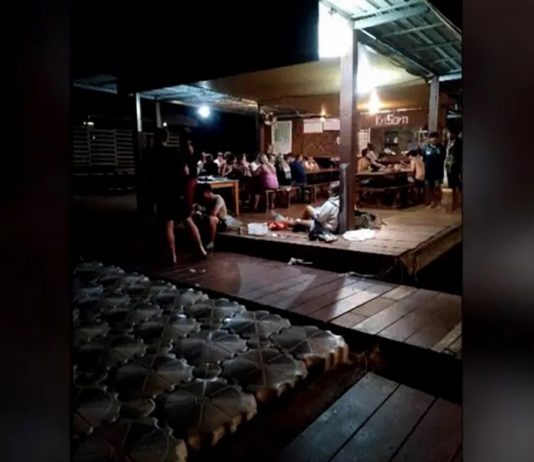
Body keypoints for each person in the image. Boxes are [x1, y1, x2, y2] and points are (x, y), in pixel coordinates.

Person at [148, 128, 207, 264]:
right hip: (176, 191)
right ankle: (201, 250)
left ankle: (172, 257)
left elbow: (147, 176)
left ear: (154, 138)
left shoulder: (150, 154)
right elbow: (186, 172)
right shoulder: (174, 153)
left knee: (168, 224)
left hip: (161, 193)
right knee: (188, 220)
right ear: (167, 138)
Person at [272, 182, 340, 233]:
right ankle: (295, 223)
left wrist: (314, 212)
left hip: (323, 227)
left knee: (298, 221)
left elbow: (320, 218)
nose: (328, 191)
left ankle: (283, 220)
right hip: (328, 224)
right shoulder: (338, 201)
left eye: (329, 190)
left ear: (333, 192)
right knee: (307, 210)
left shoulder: (330, 204)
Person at [192, 183, 228, 250]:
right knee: (194, 215)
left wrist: (202, 212)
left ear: (208, 192)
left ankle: (211, 242)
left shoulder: (218, 199)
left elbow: (214, 213)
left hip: (221, 222)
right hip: (207, 219)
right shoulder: (204, 199)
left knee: (212, 219)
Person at [422, 131, 446, 208]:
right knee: (430, 187)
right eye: (432, 137)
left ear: (438, 138)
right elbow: (424, 159)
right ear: (429, 139)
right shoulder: (426, 148)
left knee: (437, 187)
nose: (434, 139)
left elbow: (443, 158)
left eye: (436, 137)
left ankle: (439, 202)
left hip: (438, 171)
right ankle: (433, 202)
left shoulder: (441, 147)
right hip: (429, 171)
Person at [445, 129, 462, 211]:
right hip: (449, 166)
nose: (448, 134)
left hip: (456, 167)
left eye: (449, 133)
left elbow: (459, 156)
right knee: (452, 185)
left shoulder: (459, 142)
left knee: (457, 185)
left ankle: (456, 203)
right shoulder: (448, 142)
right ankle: (454, 202)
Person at [183, 138, 200, 209]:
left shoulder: (190, 158)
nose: (190, 148)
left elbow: (187, 173)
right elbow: (187, 172)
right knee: (190, 199)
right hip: (191, 179)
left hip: (191, 179)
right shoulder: (187, 158)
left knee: (190, 199)